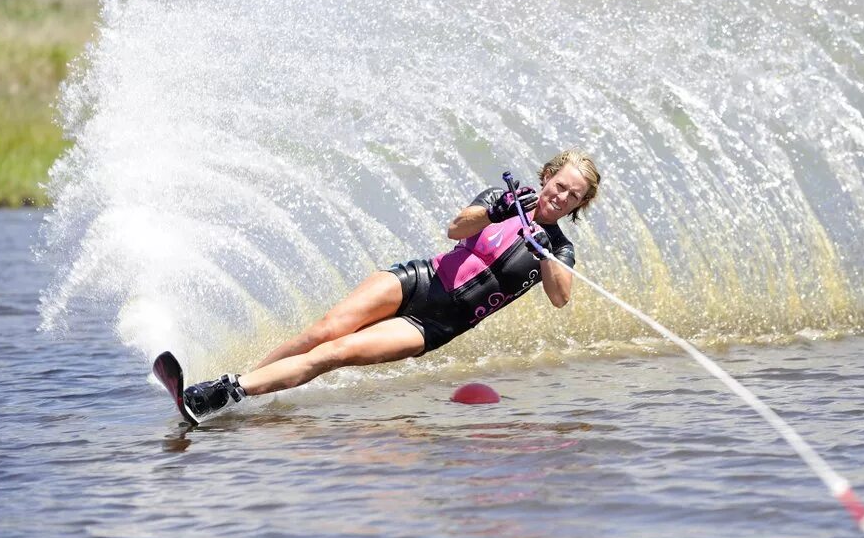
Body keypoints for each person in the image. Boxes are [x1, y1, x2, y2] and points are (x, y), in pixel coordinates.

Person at [183, 149, 601, 417]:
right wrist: (498, 213)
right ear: (547, 176)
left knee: (336, 352)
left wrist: (542, 248)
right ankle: (243, 383)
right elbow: (455, 229)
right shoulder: (503, 198)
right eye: (559, 185)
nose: (561, 197)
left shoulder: (559, 249)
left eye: (573, 196)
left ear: (580, 204)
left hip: (434, 325)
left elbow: (560, 297)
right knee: (325, 330)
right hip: (419, 279)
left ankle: (229, 392)